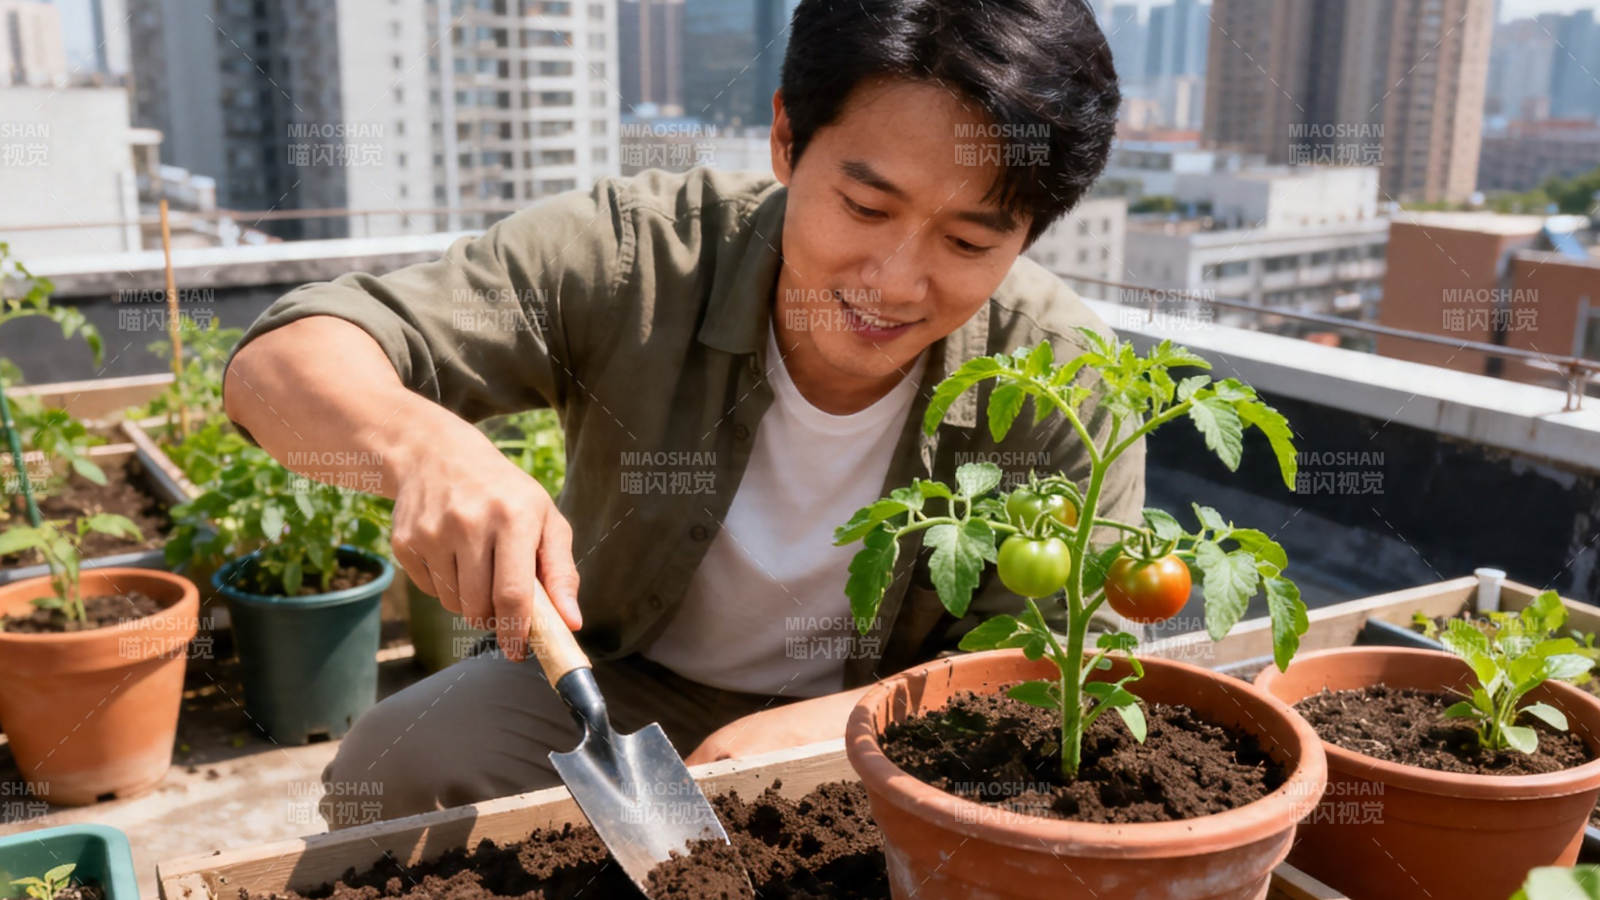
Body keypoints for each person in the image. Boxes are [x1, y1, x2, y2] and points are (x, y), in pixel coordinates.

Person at [221, 0, 1142, 828]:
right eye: (865, 206)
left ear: (1030, 234)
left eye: (970, 240)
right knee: (394, 765)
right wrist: (424, 449)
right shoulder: (642, 258)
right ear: (786, 136)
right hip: (621, 685)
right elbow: (279, 363)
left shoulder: (1062, 380)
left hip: (900, 726)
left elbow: (1068, 671)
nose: (894, 282)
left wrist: (813, 741)